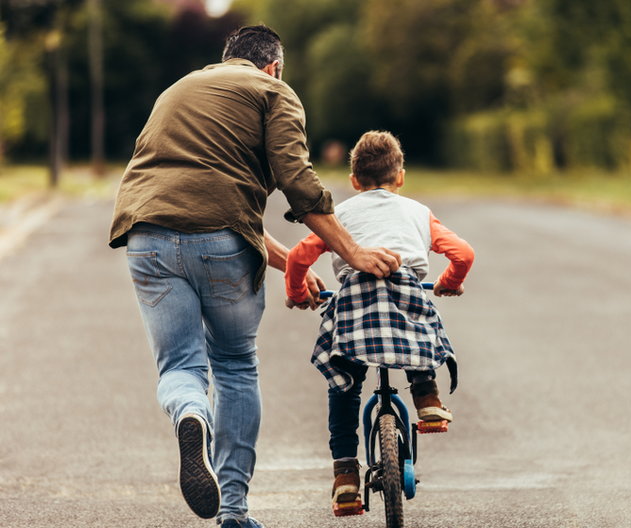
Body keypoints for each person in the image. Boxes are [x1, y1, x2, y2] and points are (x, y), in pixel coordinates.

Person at [107, 26, 401, 528]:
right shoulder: (273, 91)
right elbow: (296, 181)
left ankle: (190, 416)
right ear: (275, 67)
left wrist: (295, 265)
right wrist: (352, 252)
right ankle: (234, 511)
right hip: (222, 243)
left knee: (180, 367)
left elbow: (204, 198)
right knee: (235, 364)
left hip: (146, 236)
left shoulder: (178, 90)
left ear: (226, 60)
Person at [284, 131, 474, 515]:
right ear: (400, 176)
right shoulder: (419, 213)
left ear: (354, 181)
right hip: (406, 296)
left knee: (345, 386)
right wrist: (448, 283)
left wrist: (297, 291)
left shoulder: (339, 217)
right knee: (419, 326)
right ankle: (428, 398)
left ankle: (345, 479)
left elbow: (298, 257)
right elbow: (464, 254)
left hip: (355, 305)